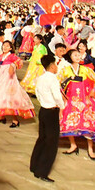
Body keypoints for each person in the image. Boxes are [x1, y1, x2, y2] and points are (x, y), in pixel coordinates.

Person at [58, 48, 95, 159]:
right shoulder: (65, 70)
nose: (77, 57)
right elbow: (58, 82)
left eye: (78, 55)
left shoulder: (85, 70)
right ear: (70, 57)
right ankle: (73, 145)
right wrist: (62, 95)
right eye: (74, 55)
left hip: (85, 98)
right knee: (68, 120)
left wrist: (93, 90)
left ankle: (90, 149)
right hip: (71, 98)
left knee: (88, 121)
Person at [30, 54, 64, 182]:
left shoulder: (41, 78)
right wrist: (61, 106)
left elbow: (37, 93)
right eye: (55, 64)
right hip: (51, 111)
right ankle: (42, 171)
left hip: (43, 109)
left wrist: (44, 102)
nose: (56, 67)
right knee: (51, 142)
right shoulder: (53, 79)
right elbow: (57, 95)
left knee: (42, 138)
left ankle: (34, 165)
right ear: (51, 66)